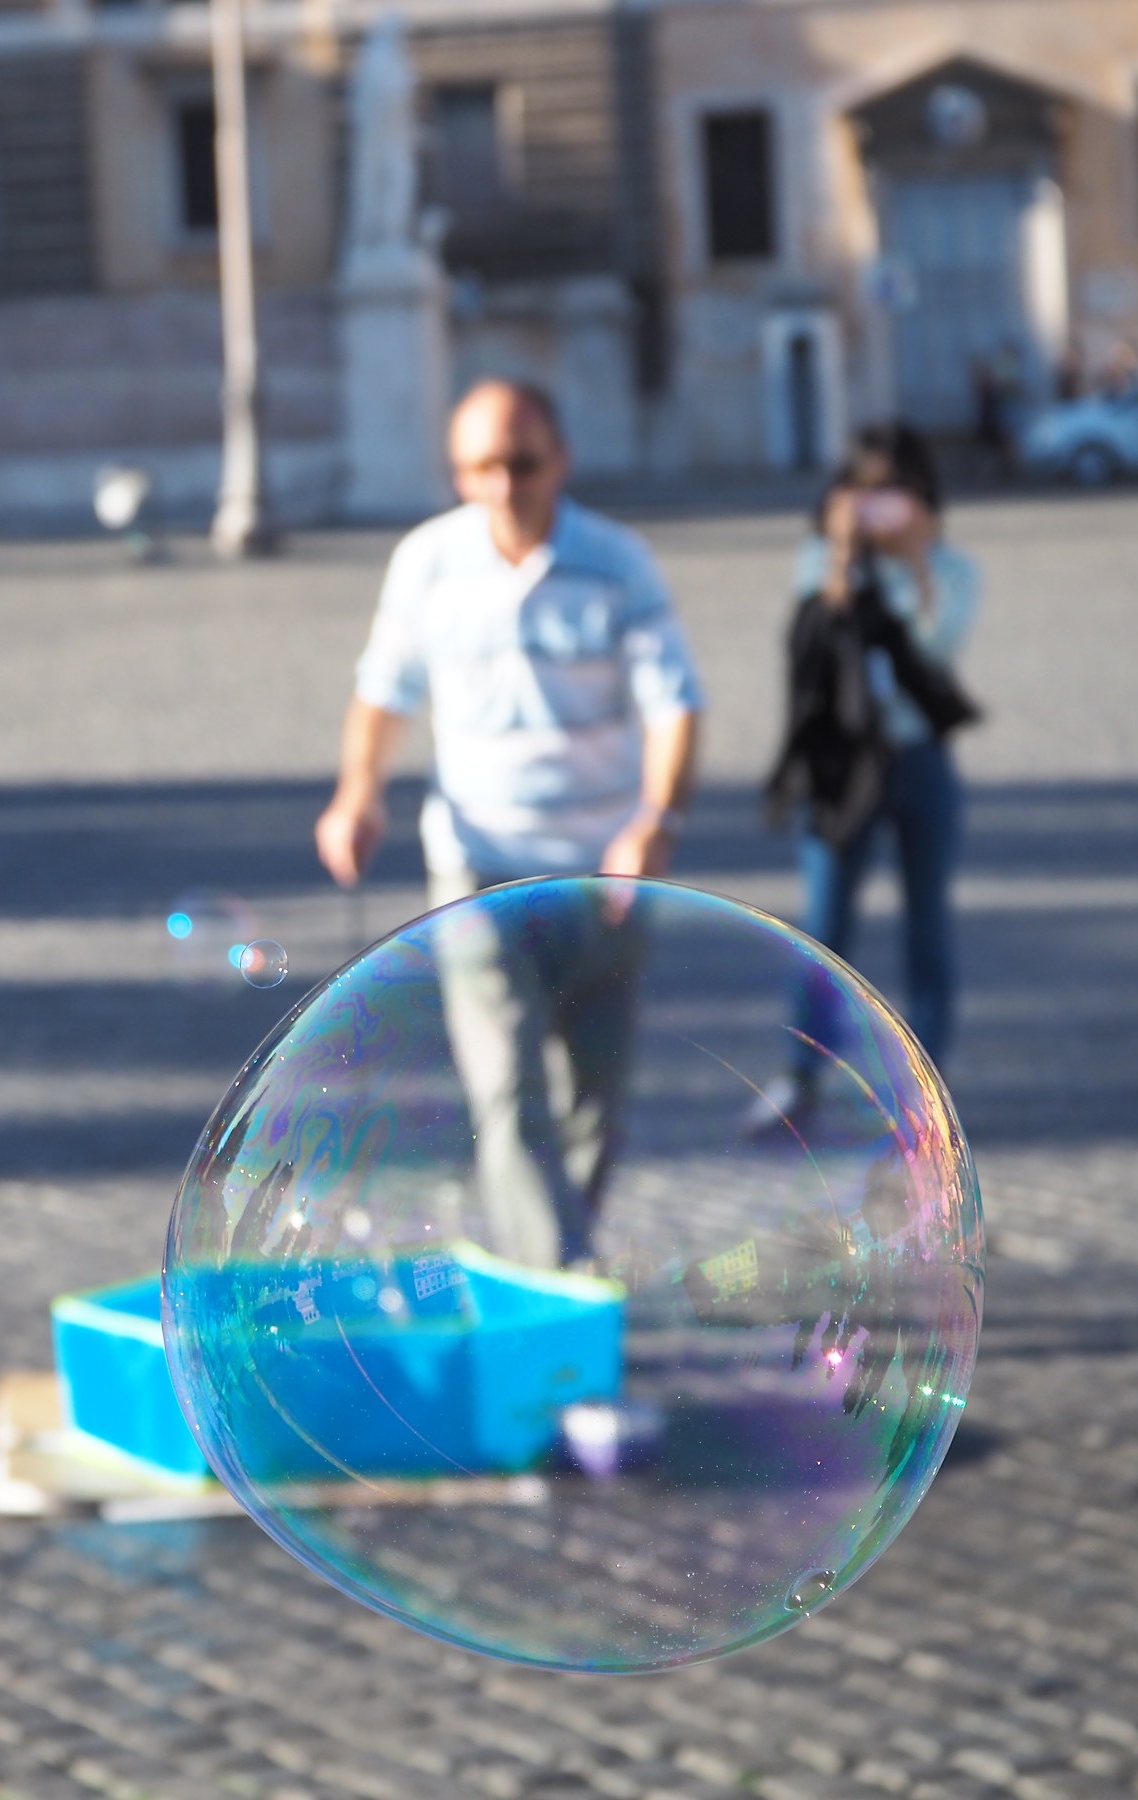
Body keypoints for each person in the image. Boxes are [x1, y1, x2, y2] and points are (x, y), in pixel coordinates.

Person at [314, 379, 704, 1269]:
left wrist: (656, 820)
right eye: (477, 468)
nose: (501, 485)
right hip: (477, 868)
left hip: (605, 873)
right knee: (505, 1090)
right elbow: (384, 692)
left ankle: (559, 1255)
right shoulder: (426, 563)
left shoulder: (619, 563)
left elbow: (677, 705)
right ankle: (555, 1285)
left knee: (594, 1098)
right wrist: (357, 793)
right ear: (456, 473)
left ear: (560, 460)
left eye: (520, 463)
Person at [754, 423, 981, 1131]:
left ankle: (926, 1089)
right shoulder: (820, 562)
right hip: (842, 764)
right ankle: (802, 1078)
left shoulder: (952, 569)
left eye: (894, 491)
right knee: (824, 929)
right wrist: (842, 565)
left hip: (918, 760)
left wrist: (915, 568)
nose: (878, 505)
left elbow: (933, 657)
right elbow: (813, 646)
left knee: (928, 929)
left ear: (921, 498)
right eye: (865, 489)